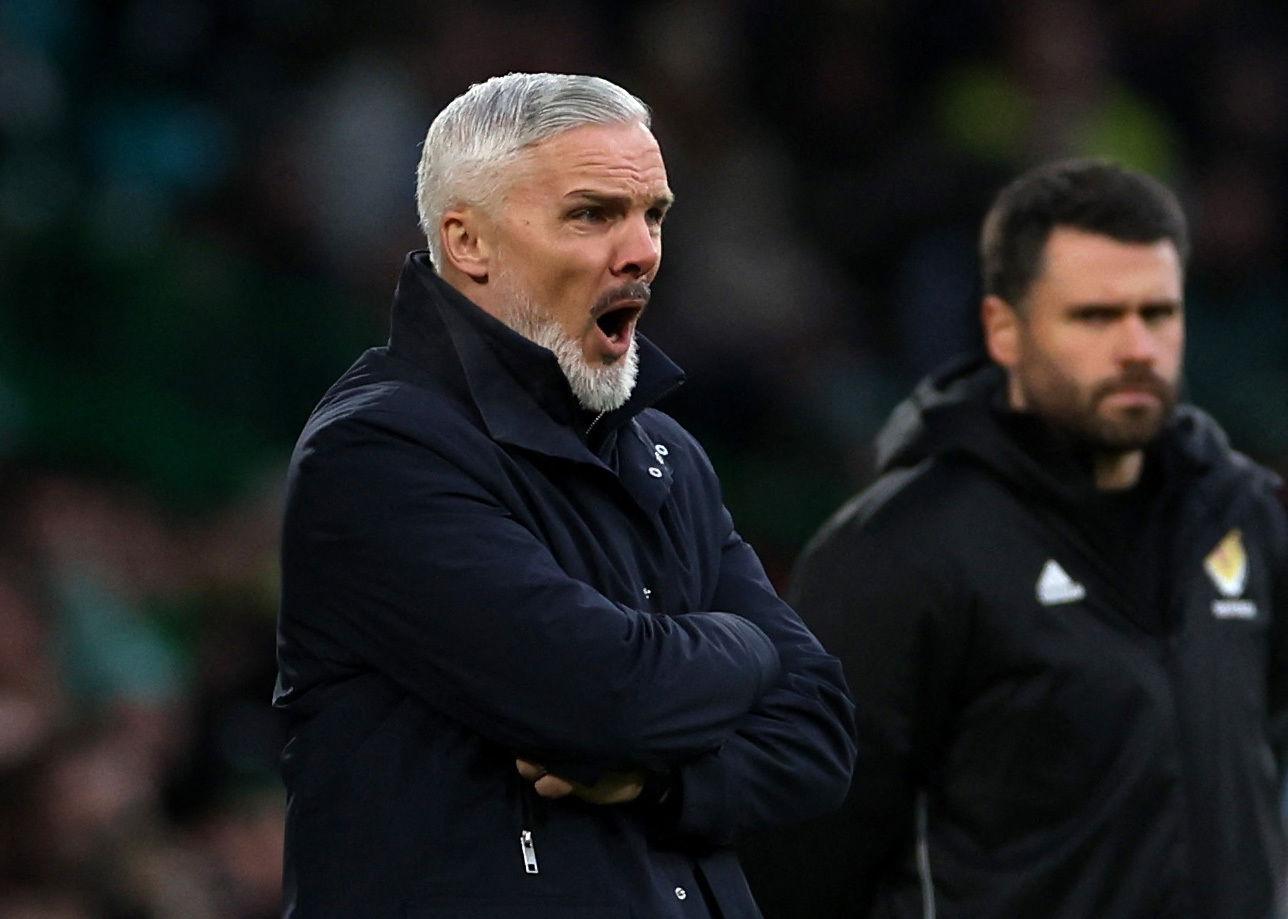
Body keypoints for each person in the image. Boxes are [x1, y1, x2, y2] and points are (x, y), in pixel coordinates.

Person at [273, 72, 855, 918]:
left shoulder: (666, 454)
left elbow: (820, 735)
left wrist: (661, 783)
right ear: (468, 241)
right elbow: (611, 696)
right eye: (593, 214)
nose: (642, 251)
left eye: (653, 215)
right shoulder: (380, 450)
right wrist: (746, 642)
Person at [740, 158, 1288, 918]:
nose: (1138, 347)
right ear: (1004, 329)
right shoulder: (901, 549)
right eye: (1095, 316)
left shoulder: (1242, 519)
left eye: (1158, 313)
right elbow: (803, 853)